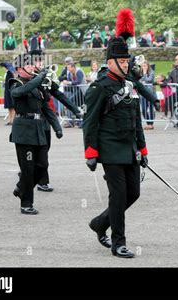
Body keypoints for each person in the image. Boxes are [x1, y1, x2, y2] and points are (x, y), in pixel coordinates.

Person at [83, 34, 148, 259]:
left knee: (134, 193)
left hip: (129, 149)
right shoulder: (99, 87)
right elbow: (90, 122)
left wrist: (143, 149)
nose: (126, 64)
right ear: (110, 62)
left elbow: (136, 120)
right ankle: (118, 242)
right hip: (110, 150)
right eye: (121, 61)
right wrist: (90, 152)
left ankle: (100, 223)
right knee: (118, 196)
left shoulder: (130, 85)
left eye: (127, 61)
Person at [9, 53, 62, 214]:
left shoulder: (36, 85)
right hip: (24, 131)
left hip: (38, 129)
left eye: (33, 65)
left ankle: (21, 187)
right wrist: (38, 79)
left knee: (42, 165)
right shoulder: (15, 83)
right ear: (19, 69)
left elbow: (45, 107)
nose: (33, 67)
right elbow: (20, 92)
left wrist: (56, 126)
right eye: (29, 65)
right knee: (27, 169)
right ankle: (26, 204)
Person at [31, 52, 80, 192]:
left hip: (45, 119)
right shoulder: (27, 78)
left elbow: (58, 94)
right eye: (37, 61)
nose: (40, 64)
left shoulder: (45, 76)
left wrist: (75, 110)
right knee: (37, 153)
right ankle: (41, 180)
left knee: (44, 151)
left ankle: (34, 175)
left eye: (41, 61)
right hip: (31, 120)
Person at [62, 62, 87, 128]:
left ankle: (77, 121)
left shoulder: (79, 71)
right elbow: (70, 81)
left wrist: (68, 82)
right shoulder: (70, 73)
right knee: (72, 104)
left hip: (82, 91)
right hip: (76, 91)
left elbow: (78, 81)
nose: (68, 69)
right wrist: (65, 82)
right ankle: (73, 121)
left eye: (69, 68)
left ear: (73, 67)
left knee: (71, 102)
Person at [140, 61, 156, 130]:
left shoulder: (151, 72)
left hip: (150, 93)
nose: (144, 67)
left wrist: (144, 73)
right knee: (143, 109)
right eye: (143, 66)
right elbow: (139, 81)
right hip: (142, 94)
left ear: (148, 66)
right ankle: (148, 123)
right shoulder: (139, 73)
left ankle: (151, 124)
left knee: (151, 108)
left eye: (145, 66)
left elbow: (149, 80)